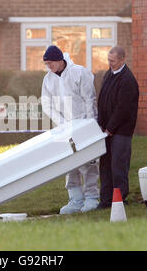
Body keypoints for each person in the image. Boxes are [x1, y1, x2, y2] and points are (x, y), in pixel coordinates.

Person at [41, 45, 100, 214]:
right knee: (68, 162)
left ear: (60, 60)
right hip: (63, 128)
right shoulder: (48, 79)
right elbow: (47, 105)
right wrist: (61, 123)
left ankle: (91, 197)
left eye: (51, 63)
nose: (49, 67)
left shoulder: (79, 73)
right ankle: (75, 198)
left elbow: (89, 99)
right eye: (47, 64)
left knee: (88, 162)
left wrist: (90, 125)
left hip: (82, 123)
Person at [97, 46, 139, 209]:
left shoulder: (127, 80)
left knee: (118, 166)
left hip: (121, 131)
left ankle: (119, 199)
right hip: (106, 130)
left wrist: (110, 129)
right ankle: (106, 200)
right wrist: (101, 125)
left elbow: (123, 109)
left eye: (113, 61)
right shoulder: (109, 74)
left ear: (122, 60)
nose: (110, 63)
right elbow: (102, 101)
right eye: (108, 60)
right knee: (105, 165)